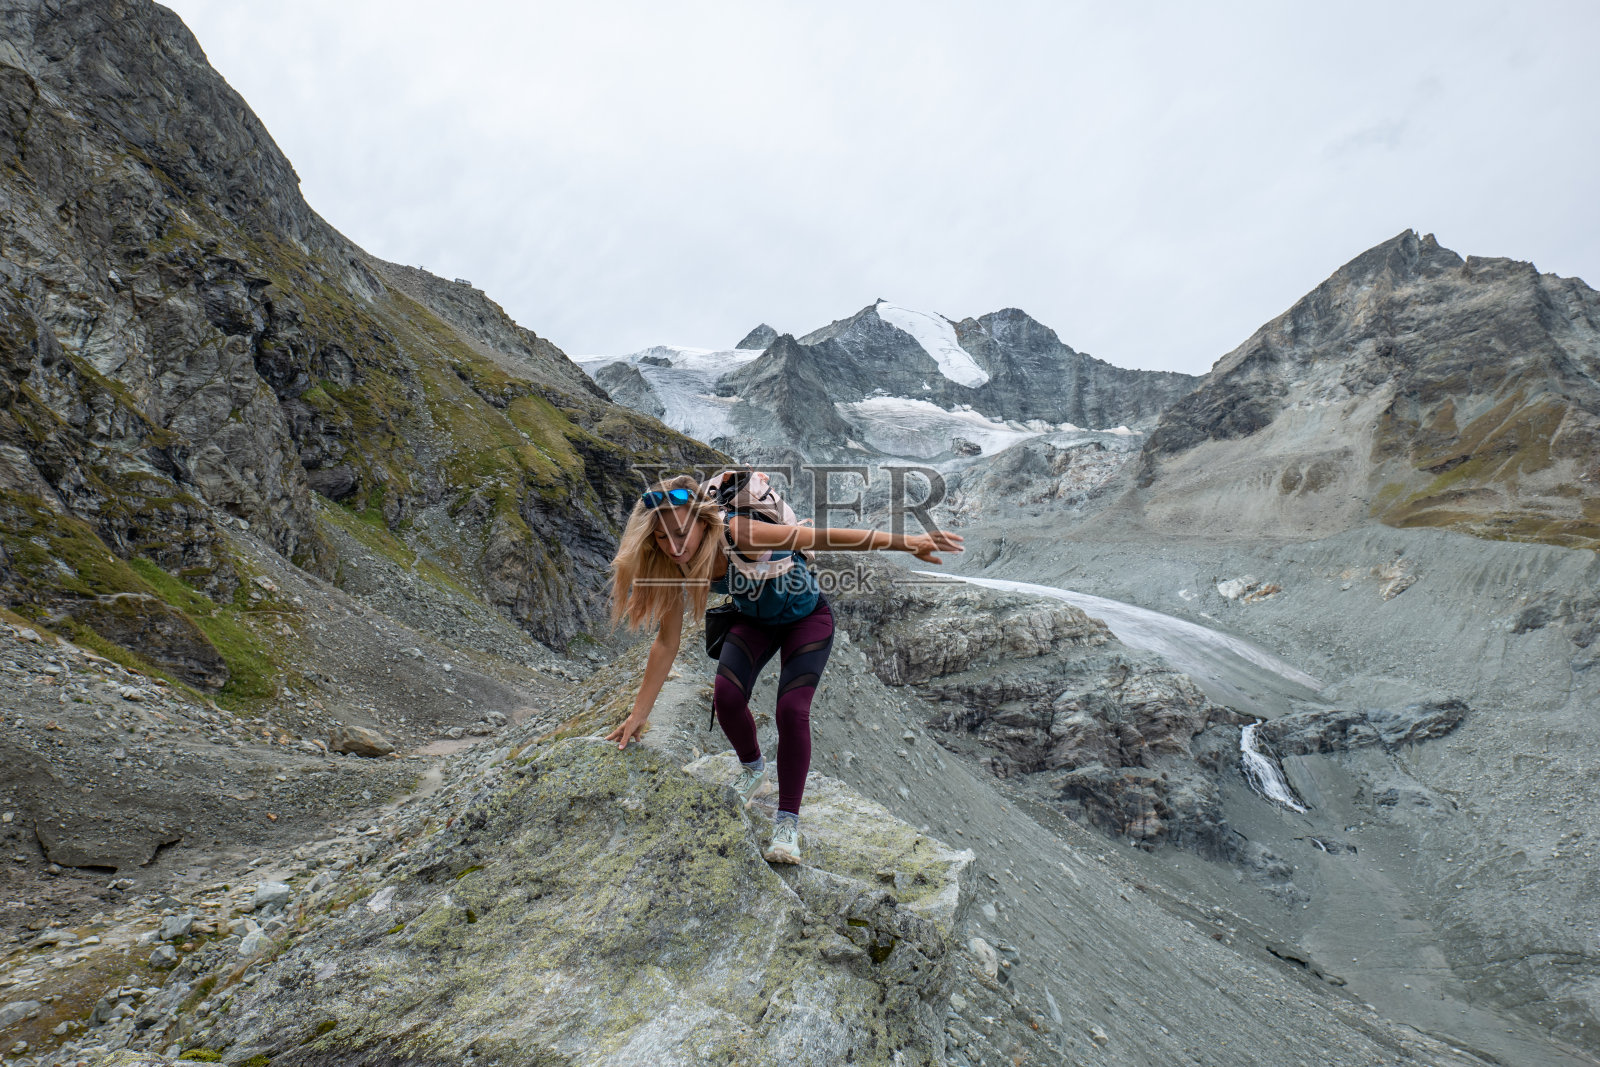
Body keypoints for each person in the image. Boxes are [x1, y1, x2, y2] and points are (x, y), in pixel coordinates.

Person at [605, 473, 962, 863]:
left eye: (680, 532)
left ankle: (787, 822)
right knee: (726, 698)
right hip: (753, 621)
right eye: (661, 537)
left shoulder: (741, 531)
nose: (673, 547)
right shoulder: (676, 564)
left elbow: (824, 537)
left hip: (806, 619)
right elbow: (666, 642)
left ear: (700, 519)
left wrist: (909, 543)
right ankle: (754, 770)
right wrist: (638, 715)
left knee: (791, 712)